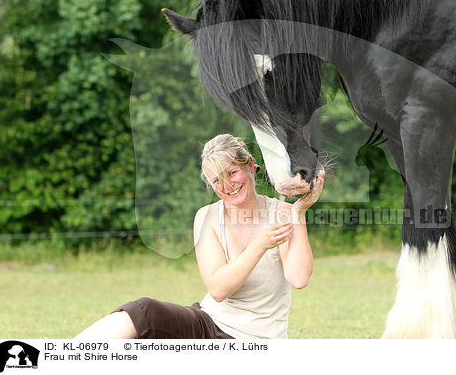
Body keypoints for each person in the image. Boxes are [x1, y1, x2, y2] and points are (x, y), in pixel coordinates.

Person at [75, 134, 324, 339]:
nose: (227, 186)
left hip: (255, 340)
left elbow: (299, 278)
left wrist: (298, 213)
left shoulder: (282, 214)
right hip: (207, 323)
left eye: (232, 173)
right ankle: (62, 358)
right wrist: (260, 244)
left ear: (249, 164)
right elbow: (218, 289)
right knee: (145, 311)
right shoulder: (208, 217)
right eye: (217, 180)